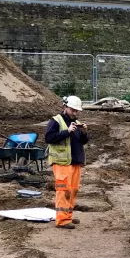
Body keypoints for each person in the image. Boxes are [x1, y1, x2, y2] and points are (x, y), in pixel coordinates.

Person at [45, 96, 88, 229]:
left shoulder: (76, 122)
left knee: (72, 191)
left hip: (75, 162)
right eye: (73, 110)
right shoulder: (56, 121)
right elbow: (49, 138)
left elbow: (83, 141)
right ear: (65, 107)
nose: (75, 113)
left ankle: (67, 216)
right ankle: (62, 220)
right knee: (63, 191)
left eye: (77, 111)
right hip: (62, 163)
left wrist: (84, 133)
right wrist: (67, 132)